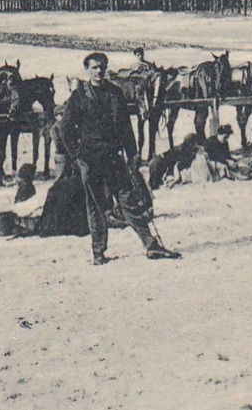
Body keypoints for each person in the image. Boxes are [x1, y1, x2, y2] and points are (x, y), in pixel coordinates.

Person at [58, 51, 180, 263]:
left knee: (129, 200)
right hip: (90, 160)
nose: (98, 71)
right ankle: (98, 253)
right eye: (94, 68)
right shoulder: (78, 98)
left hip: (113, 159)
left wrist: (132, 154)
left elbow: (125, 127)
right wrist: (77, 154)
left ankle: (151, 245)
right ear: (86, 70)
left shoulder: (115, 93)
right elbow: (65, 128)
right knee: (95, 206)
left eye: (102, 67)